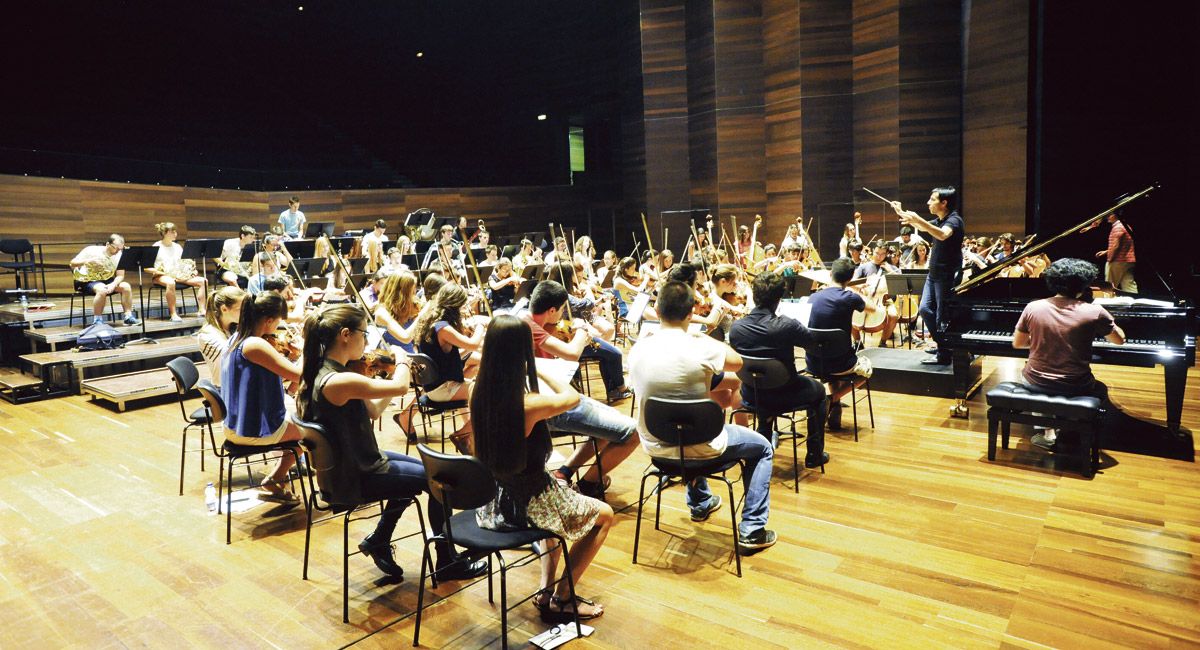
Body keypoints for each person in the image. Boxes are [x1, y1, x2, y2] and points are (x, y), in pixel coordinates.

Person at [295, 303, 487, 581]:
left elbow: (373, 410)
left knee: (426, 469)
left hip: (360, 460)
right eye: (364, 333)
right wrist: (403, 360)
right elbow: (399, 387)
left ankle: (379, 539)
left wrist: (373, 378)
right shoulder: (338, 380)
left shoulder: (329, 371)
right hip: (355, 475)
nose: (366, 340)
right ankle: (447, 563)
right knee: (440, 481)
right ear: (346, 335)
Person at [472, 315, 613, 622]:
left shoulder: (478, 392)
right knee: (604, 516)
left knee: (557, 496)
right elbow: (572, 397)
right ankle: (563, 598)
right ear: (521, 352)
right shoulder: (525, 404)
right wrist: (540, 369)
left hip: (495, 499)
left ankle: (545, 590)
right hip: (524, 504)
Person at [628, 281, 777, 555]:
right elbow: (737, 363)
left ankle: (701, 502)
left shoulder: (637, 349)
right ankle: (753, 529)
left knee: (688, 423)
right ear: (691, 313)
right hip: (702, 447)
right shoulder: (700, 345)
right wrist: (704, 336)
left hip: (656, 446)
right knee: (763, 448)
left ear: (657, 310)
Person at [522, 281, 639, 500]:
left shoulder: (528, 320)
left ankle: (564, 472)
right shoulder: (528, 326)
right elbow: (571, 353)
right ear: (551, 310)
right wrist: (581, 331)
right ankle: (588, 485)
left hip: (554, 396)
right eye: (560, 311)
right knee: (633, 433)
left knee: (610, 421)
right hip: (551, 405)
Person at [1012, 258, 1124, 450]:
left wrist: (1044, 339)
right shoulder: (1095, 311)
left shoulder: (1033, 307)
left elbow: (1018, 343)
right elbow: (1119, 339)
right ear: (1084, 285)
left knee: (1028, 373)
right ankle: (1075, 426)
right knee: (1100, 388)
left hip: (1036, 382)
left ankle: (1048, 432)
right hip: (1076, 384)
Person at [729, 272, 829, 465]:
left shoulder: (736, 327)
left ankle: (764, 434)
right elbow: (812, 344)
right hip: (786, 394)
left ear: (754, 295)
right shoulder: (786, 325)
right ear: (778, 299)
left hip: (752, 393)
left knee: (763, 379)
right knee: (820, 392)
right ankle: (814, 455)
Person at [220, 292, 303, 502]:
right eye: (278, 322)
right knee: (317, 431)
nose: (278, 328)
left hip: (234, 424)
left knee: (304, 421)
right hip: (249, 429)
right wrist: (307, 351)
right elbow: (299, 376)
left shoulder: (236, 338)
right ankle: (277, 478)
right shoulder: (254, 345)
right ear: (268, 321)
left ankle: (277, 479)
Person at [397, 283, 484, 452]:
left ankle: (468, 431)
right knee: (489, 395)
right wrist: (480, 327)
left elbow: (446, 356)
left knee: (473, 372)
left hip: (433, 386)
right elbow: (473, 344)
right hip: (442, 389)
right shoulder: (443, 328)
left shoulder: (430, 320)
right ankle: (464, 434)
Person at [891, 186, 964, 365]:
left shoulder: (954, 220)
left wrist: (918, 219)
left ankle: (944, 353)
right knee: (924, 309)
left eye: (932, 199)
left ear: (944, 203)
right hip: (934, 274)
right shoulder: (940, 219)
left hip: (946, 275)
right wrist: (901, 212)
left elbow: (942, 235)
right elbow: (920, 225)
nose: (928, 202)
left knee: (942, 316)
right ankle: (943, 345)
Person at [807, 257, 872, 429]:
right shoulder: (850, 297)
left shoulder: (813, 297)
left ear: (830, 274)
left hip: (813, 362)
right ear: (850, 279)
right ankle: (832, 399)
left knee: (830, 365)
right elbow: (872, 308)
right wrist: (856, 290)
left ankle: (834, 411)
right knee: (866, 371)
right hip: (841, 362)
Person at [69, 234, 139, 326]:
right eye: (115, 248)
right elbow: (72, 263)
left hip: (106, 279)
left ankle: (128, 316)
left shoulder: (120, 254)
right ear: (107, 244)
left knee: (126, 286)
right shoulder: (91, 250)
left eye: (120, 249)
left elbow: (120, 275)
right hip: (86, 280)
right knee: (102, 289)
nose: (117, 251)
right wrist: (87, 261)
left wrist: (113, 284)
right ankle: (97, 320)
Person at [151, 222, 207, 322]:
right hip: (161, 276)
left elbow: (185, 262)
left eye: (175, 231)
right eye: (173, 232)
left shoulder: (177, 247)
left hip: (178, 275)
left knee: (204, 281)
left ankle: (202, 309)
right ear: (165, 233)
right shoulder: (156, 246)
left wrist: (192, 270)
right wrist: (165, 273)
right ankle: (173, 314)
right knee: (171, 282)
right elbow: (149, 267)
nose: (175, 233)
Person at [196, 286, 246, 387]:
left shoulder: (232, 327)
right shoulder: (207, 335)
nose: (244, 312)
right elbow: (232, 359)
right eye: (240, 309)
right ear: (224, 309)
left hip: (237, 383)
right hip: (225, 389)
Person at [374, 271, 420, 354]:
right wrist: (422, 315)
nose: (414, 294)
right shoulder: (382, 312)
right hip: (391, 360)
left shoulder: (413, 307)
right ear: (401, 294)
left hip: (412, 356)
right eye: (411, 292)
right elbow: (405, 337)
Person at [1094, 211, 1137, 293]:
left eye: (1109, 215)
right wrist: (1106, 251)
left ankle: (1107, 303)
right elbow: (1123, 244)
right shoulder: (1126, 226)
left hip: (1117, 261)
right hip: (1128, 260)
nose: (1107, 217)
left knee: (1109, 286)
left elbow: (1116, 246)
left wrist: (1110, 260)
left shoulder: (1117, 228)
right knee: (1129, 286)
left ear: (1116, 215)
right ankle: (1135, 302)